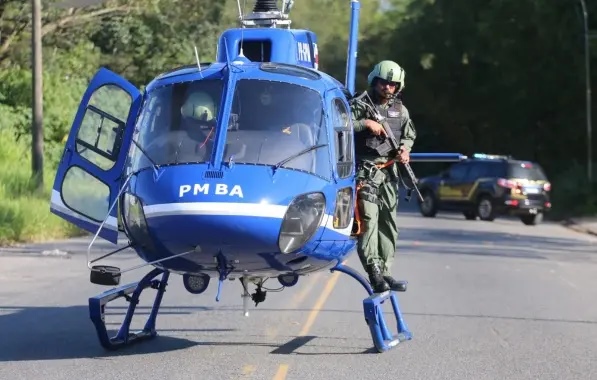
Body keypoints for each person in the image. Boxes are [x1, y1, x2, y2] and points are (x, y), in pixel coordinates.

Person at [350, 60, 417, 293]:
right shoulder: (360, 105)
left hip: (390, 172)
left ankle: (386, 271)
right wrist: (365, 123)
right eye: (383, 83)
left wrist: (404, 149)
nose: (387, 88)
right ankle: (374, 271)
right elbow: (339, 123)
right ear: (374, 82)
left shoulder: (400, 110)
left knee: (389, 223)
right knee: (369, 222)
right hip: (366, 171)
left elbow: (409, 134)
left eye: (392, 84)